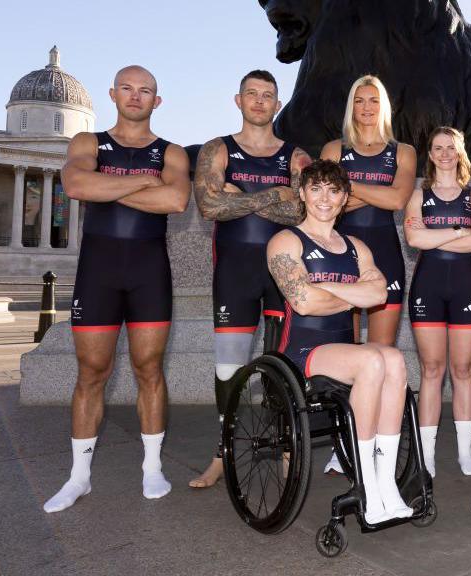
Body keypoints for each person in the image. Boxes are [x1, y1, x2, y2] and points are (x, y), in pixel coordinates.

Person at [44, 66, 191, 513]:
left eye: (145, 90)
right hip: (98, 271)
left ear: (156, 101)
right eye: (127, 88)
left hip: (149, 272)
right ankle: (79, 478)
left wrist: (107, 189)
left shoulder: (173, 153)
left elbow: (176, 200)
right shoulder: (89, 143)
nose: (136, 96)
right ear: (112, 94)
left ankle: (152, 468)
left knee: (150, 369)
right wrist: (144, 183)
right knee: (91, 374)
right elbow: (75, 184)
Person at [267, 159, 413, 523]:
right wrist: (353, 293)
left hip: (344, 350)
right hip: (301, 352)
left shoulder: (356, 247)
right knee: (372, 361)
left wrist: (325, 288)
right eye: (315, 188)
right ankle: (367, 483)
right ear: (302, 193)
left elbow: (379, 293)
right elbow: (303, 302)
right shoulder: (285, 241)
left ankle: (384, 482)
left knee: (393, 358)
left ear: (345, 198)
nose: (324, 198)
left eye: (334, 190)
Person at [189, 70, 312, 488]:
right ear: (238, 100)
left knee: (285, 366)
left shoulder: (297, 157)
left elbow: (301, 213)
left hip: (283, 272)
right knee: (228, 368)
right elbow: (208, 205)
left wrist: (237, 198)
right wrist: (274, 196)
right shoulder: (217, 149)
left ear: (278, 105)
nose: (260, 102)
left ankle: (285, 450)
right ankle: (223, 453)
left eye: (268, 96)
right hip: (235, 272)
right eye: (252, 94)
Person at [320, 76, 416, 474]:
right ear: (351, 106)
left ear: (384, 106)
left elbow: (396, 198)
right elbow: (326, 205)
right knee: (345, 354)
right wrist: (355, 194)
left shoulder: (403, 152)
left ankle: (374, 443)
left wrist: (348, 188)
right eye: (359, 100)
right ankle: (342, 442)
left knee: (380, 353)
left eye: (373, 100)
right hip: (338, 257)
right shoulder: (332, 149)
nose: (366, 107)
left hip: (386, 257)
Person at [403, 127, 471, 477]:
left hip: (466, 288)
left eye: (450, 148)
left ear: (460, 152)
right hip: (428, 288)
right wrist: (457, 233)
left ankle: (465, 453)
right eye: (437, 148)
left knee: (463, 370)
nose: (443, 154)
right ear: (430, 153)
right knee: (432, 370)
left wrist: (432, 238)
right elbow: (413, 238)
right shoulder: (417, 194)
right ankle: (427, 455)